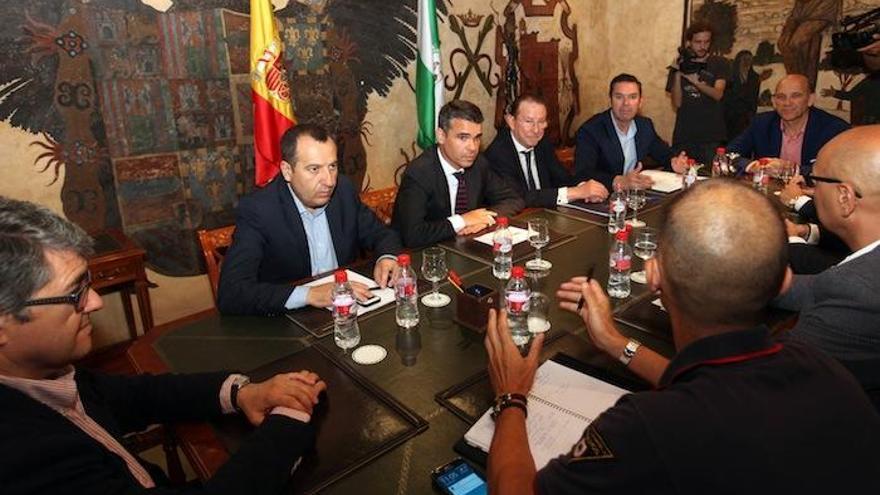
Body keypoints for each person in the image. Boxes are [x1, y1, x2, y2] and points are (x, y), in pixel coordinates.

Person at [484, 180, 880, 493]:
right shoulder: (825, 370)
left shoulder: (648, 427)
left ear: (655, 276)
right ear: (781, 280)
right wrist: (614, 341)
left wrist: (511, 395)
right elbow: (715, 385)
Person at [0, 197, 327, 494]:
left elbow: (136, 396)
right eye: (75, 294)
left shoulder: (45, 373)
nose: (96, 302)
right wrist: (287, 423)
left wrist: (244, 393)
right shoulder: (23, 458)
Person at [217, 124, 402, 316]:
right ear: (287, 171)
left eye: (332, 166)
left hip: (349, 311)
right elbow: (231, 293)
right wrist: (309, 295)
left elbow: (381, 233)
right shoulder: (259, 210)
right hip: (290, 321)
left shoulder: (343, 190)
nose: (329, 181)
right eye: (314, 169)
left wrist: (387, 257)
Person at [773, 125, 880, 406]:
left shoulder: (861, 290)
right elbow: (820, 288)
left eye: (816, 181)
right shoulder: (862, 270)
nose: (811, 190)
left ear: (844, 197)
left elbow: (756, 382)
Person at [392, 100, 524, 248]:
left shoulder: (478, 164)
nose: (473, 147)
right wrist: (462, 221)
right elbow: (413, 235)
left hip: (464, 249)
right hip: (425, 255)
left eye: (477, 138)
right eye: (463, 138)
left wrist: (484, 219)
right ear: (441, 136)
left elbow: (513, 199)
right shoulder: (419, 173)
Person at [485, 94, 608, 207]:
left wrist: (585, 189)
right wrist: (575, 192)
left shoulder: (541, 142)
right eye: (529, 122)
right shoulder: (498, 153)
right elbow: (518, 197)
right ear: (511, 122)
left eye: (541, 122)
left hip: (546, 215)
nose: (536, 130)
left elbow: (562, 178)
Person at [574, 74, 688, 192]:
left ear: (640, 102)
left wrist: (674, 162)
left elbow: (664, 153)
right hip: (602, 196)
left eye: (632, 97)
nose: (626, 103)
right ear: (610, 100)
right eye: (619, 97)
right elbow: (582, 173)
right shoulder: (591, 130)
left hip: (632, 196)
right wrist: (618, 180)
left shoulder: (644, 126)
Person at [728, 74, 849, 176]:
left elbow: (837, 172)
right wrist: (753, 166)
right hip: (768, 196)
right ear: (774, 102)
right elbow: (728, 155)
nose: (787, 103)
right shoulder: (761, 123)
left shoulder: (834, 129)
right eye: (781, 97)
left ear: (810, 99)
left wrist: (790, 169)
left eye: (796, 96)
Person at [666, 22, 729, 166]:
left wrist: (695, 82)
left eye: (706, 42)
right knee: (681, 179)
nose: (702, 46)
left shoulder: (719, 63)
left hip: (711, 137)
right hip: (684, 135)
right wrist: (677, 72)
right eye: (698, 42)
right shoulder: (680, 64)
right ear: (689, 42)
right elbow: (677, 103)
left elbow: (718, 94)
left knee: (710, 182)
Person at [723, 50, 761, 140]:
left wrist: (751, 114)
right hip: (730, 117)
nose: (747, 62)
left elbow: (754, 98)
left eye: (749, 59)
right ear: (739, 60)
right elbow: (726, 97)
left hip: (746, 117)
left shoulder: (754, 77)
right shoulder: (730, 77)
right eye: (744, 59)